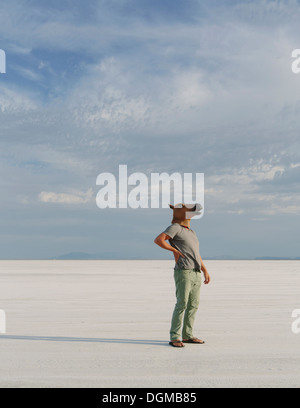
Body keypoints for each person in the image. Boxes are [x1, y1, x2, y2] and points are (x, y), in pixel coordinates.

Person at [154, 203, 210, 348]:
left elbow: (196, 254)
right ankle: (175, 337)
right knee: (182, 304)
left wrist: (205, 270)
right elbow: (159, 240)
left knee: (193, 305)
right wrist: (174, 250)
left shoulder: (191, 232)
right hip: (184, 272)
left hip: (196, 272)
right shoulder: (175, 228)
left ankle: (187, 335)